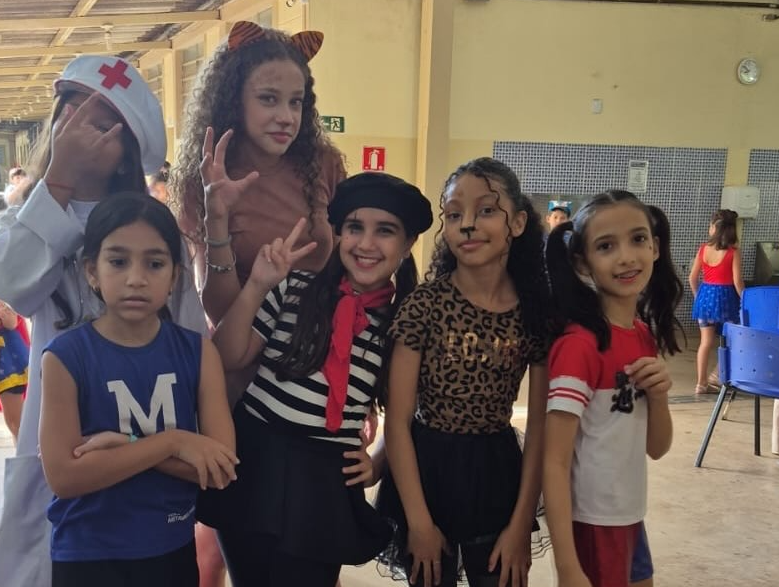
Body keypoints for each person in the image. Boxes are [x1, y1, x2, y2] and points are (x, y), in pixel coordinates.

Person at [0, 55, 208, 587]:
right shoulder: (24, 216)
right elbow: (15, 287)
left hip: (149, 420)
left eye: (99, 123)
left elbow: (190, 341)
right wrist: (58, 180)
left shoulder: (152, 230)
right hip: (61, 436)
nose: (76, 128)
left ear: (126, 152)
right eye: (68, 113)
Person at [196, 172, 432, 587]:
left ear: (409, 242)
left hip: (324, 477)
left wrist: (377, 463)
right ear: (339, 233)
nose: (366, 243)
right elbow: (228, 357)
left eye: (385, 231)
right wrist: (257, 285)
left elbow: (406, 414)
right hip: (256, 458)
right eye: (355, 227)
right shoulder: (294, 287)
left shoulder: (402, 325)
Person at [38, 192, 237, 587]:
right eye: (118, 261)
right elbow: (64, 476)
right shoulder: (64, 356)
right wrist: (173, 443)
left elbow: (219, 468)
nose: (136, 279)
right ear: (91, 271)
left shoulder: (198, 352)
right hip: (87, 553)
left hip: (170, 547)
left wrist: (124, 445)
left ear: (175, 276)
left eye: (155, 263)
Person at [377, 157, 552, 587]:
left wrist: (520, 525)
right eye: (454, 215)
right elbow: (397, 421)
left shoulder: (535, 313)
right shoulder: (424, 305)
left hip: (496, 474)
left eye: (486, 210)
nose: (468, 225)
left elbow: (541, 429)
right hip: (426, 472)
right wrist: (418, 522)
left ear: (518, 222)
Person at [543, 190, 683, 587]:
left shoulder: (642, 335)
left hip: (630, 514)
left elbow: (657, 448)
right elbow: (553, 462)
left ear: (655, 247)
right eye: (606, 246)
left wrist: (659, 397)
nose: (626, 257)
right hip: (594, 522)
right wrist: (567, 566)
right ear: (582, 262)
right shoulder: (579, 346)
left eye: (638, 239)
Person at [169, 21, 346, 319]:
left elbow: (347, 266)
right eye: (268, 99)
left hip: (324, 336)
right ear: (234, 100)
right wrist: (217, 219)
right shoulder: (205, 179)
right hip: (247, 342)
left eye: (296, 102)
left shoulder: (323, 163)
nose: (287, 117)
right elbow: (218, 313)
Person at [688, 209, 743, 395]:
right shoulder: (733, 252)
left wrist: (698, 297)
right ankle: (717, 375)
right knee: (733, 340)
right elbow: (737, 282)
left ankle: (701, 384)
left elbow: (692, 278)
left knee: (705, 342)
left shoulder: (703, 249)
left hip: (705, 298)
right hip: (727, 300)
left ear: (714, 228)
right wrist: (745, 300)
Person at [0, 301, 29, 444]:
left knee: (15, 422)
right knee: (15, 422)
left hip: (6, 360)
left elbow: (11, 319)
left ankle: (27, 454)